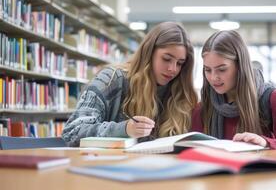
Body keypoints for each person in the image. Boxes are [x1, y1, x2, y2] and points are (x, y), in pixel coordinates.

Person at [62, 22, 198, 146]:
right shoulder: (111, 79)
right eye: (166, 59)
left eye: (180, 63)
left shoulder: (179, 93)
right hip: (108, 167)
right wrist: (124, 129)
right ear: (149, 52)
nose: (172, 69)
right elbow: (72, 132)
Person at [191, 30, 276, 153]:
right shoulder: (203, 108)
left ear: (241, 66)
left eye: (222, 69)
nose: (213, 77)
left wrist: (266, 144)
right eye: (207, 70)